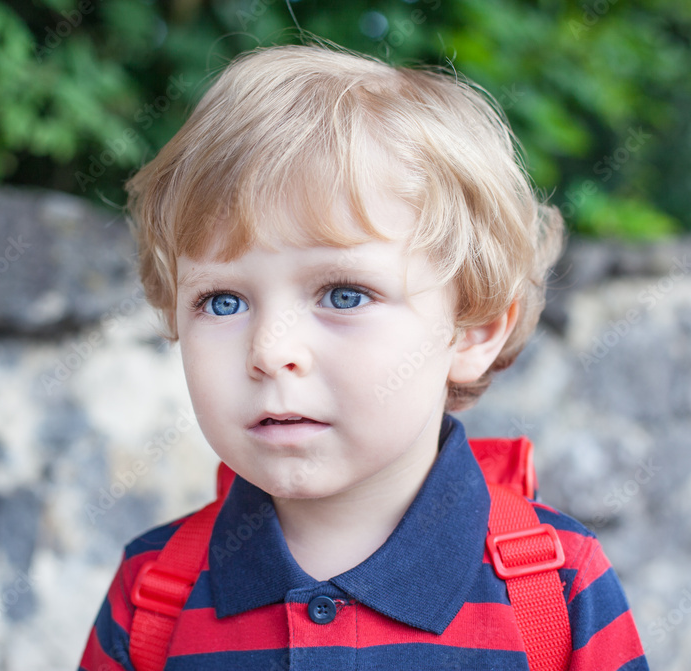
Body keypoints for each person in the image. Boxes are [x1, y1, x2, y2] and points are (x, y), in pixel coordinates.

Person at [79, 40, 648, 670]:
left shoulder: (557, 592)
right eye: (222, 301)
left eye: (344, 295)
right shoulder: (151, 595)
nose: (270, 350)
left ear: (473, 331)